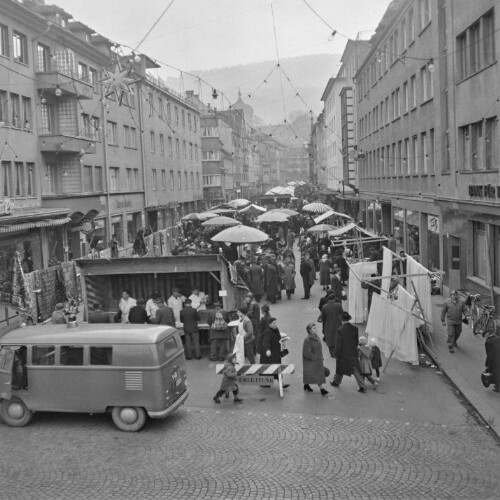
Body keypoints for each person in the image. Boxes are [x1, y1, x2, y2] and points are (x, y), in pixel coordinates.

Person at [330, 312, 366, 393]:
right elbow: (356, 341)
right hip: (353, 352)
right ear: (349, 319)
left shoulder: (340, 330)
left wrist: (336, 354)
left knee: (340, 368)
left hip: (343, 353)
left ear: (341, 319)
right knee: (355, 369)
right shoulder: (355, 328)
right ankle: (362, 386)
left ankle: (336, 382)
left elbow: (339, 344)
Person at [260, 317, 289, 388]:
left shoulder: (276, 329)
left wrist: (283, 339)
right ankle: (266, 383)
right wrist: (267, 350)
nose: (275, 324)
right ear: (269, 324)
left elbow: (278, 338)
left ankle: (280, 383)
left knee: (276, 368)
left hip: (276, 353)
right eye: (274, 323)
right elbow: (265, 342)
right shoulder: (267, 331)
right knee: (270, 368)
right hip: (269, 355)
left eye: (276, 322)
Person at [302, 323, 328, 395]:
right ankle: (321, 389)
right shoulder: (307, 340)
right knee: (316, 374)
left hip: (317, 360)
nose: (316, 329)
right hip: (311, 361)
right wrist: (314, 357)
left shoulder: (316, 336)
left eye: (315, 328)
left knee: (313, 374)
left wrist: (321, 357)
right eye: (314, 328)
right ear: (309, 330)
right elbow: (306, 352)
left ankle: (307, 385)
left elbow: (318, 349)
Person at [485, 327, 500, 392]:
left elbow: (490, 355)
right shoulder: (498, 338)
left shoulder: (488, 342)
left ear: (487, 334)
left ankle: (498, 387)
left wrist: (488, 364)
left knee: (496, 373)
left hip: (496, 360)